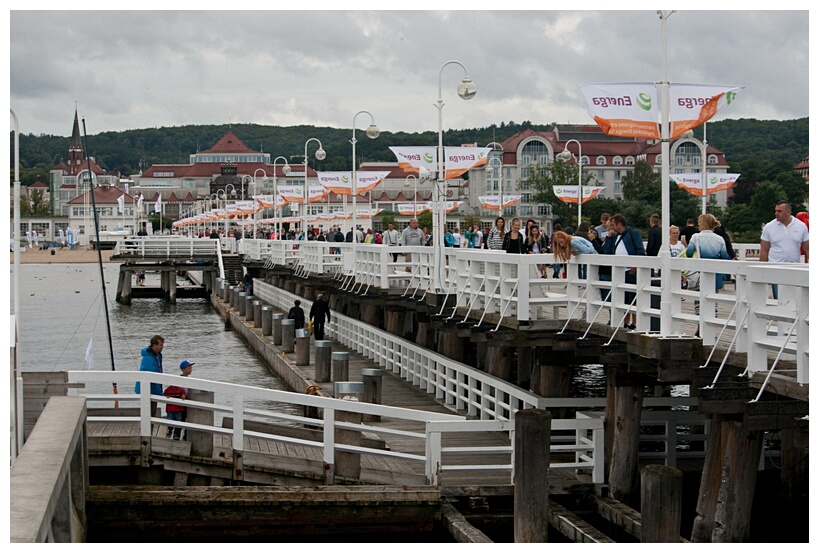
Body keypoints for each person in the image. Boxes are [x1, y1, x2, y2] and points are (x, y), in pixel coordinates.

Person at [760, 201, 810, 299]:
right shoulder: (769, 227)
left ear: (788, 212)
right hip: (775, 268)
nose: (776, 213)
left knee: (795, 299)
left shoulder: (801, 226)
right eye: (776, 211)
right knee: (778, 299)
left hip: (794, 267)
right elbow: (764, 250)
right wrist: (762, 270)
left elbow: (807, 248)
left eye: (779, 211)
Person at [603, 214, 645, 329]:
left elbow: (640, 249)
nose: (611, 227)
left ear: (619, 224)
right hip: (619, 272)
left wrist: (635, 266)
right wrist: (609, 238)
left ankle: (635, 323)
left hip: (630, 270)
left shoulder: (632, 233)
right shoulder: (615, 236)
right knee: (624, 298)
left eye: (612, 225)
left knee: (633, 298)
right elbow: (607, 252)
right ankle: (625, 322)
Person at [135, 335, 164, 417]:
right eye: (160, 345)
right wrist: (159, 392)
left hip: (153, 388)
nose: (162, 347)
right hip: (148, 388)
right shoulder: (149, 358)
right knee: (149, 413)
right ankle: (147, 429)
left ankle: (149, 428)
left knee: (152, 411)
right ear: (154, 345)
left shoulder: (157, 356)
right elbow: (152, 375)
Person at [164, 360, 194, 440]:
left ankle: (185, 436)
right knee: (181, 419)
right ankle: (177, 434)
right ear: (183, 369)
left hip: (186, 403)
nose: (190, 369)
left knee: (187, 420)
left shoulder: (190, 380)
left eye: (191, 368)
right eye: (189, 368)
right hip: (180, 405)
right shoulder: (178, 380)